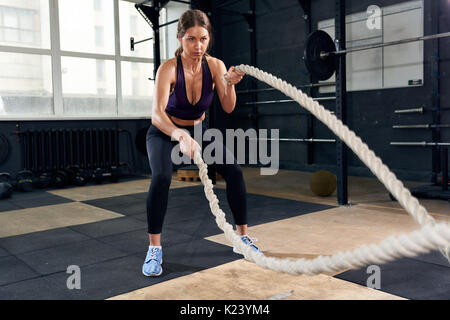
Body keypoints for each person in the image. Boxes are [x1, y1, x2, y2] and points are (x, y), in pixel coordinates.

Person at [143, 9, 261, 277]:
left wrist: (230, 85)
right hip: (164, 131)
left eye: (203, 39)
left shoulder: (216, 66)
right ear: (180, 39)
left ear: (209, 39)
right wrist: (179, 135)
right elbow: (156, 114)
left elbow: (228, 107)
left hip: (198, 129)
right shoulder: (168, 68)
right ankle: (154, 248)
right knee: (161, 177)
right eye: (191, 39)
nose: (198, 46)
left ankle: (242, 238)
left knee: (233, 170)